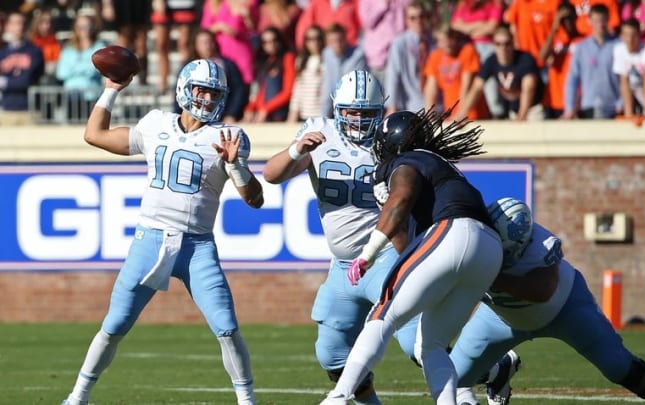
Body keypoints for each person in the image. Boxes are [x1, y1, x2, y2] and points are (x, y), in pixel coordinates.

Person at [60, 58, 264, 405]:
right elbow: (94, 135)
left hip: (198, 246)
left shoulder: (228, 137)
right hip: (151, 239)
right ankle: (77, 397)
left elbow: (255, 200)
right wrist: (111, 91)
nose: (207, 98)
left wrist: (236, 166)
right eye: (201, 89)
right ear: (185, 87)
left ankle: (247, 402)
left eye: (214, 92)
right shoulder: (157, 123)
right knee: (114, 325)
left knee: (227, 327)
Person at [319, 108, 503, 405]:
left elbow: (402, 198)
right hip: (488, 248)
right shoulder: (442, 166)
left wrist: (367, 254)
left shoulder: (409, 160)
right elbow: (408, 244)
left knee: (381, 315)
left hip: (452, 233)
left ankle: (337, 397)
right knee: (431, 345)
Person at [263, 70, 418, 405]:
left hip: (386, 255)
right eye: (351, 111)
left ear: (381, 111)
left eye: (366, 112)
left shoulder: (393, 138)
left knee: (416, 342)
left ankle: (487, 372)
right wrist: (295, 150)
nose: (359, 119)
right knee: (332, 354)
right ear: (337, 108)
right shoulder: (319, 132)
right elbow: (271, 175)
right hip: (342, 266)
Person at [452, 198, 645, 405]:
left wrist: (490, 276)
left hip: (565, 308)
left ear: (520, 245)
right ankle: (498, 372)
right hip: (499, 316)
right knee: (450, 377)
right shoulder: (473, 238)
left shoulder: (540, 246)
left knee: (619, 366)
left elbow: (541, 291)